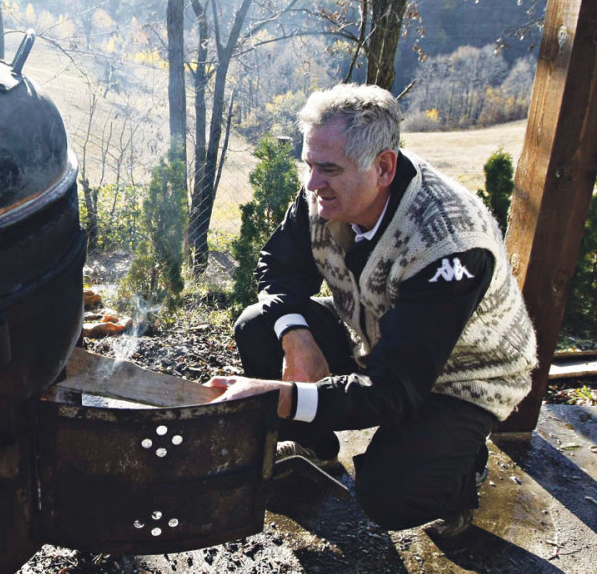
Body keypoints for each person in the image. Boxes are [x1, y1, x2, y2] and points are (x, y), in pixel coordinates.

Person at [209, 83, 537, 539]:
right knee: (258, 324)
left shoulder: (450, 246)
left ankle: (461, 474)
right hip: (378, 334)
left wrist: (281, 396)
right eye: (308, 164)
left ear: (383, 167)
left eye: (327, 169)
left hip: (463, 375)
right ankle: (315, 448)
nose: (311, 183)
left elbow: (394, 388)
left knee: (386, 495)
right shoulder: (327, 193)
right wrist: (296, 337)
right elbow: (279, 265)